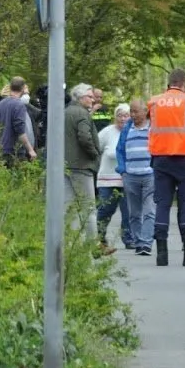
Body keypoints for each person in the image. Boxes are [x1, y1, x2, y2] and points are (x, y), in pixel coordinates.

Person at [147, 69, 185, 267]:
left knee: (162, 204)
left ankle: (162, 254)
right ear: (184, 83)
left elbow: (152, 128)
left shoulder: (155, 102)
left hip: (161, 159)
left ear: (169, 83)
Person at [64, 83, 106, 250]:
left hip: (66, 166)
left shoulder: (65, 112)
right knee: (89, 208)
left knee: (70, 207)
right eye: (90, 96)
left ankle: (72, 244)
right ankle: (93, 244)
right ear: (80, 98)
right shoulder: (82, 114)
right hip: (81, 166)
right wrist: (95, 154)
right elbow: (84, 137)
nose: (93, 99)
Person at [116, 99, 155, 256]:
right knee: (133, 213)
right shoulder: (127, 128)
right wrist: (123, 170)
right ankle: (138, 242)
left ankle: (146, 242)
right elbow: (120, 149)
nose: (132, 114)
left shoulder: (153, 127)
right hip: (130, 175)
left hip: (149, 175)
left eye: (135, 111)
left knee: (149, 210)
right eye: (131, 111)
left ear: (145, 111)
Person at [96, 104, 132, 250]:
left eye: (126, 115)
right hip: (107, 178)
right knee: (105, 209)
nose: (123, 118)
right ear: (115, 117)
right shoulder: (107, 132)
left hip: (127, 179)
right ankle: (100, 237)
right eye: (120, 115)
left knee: (128, 211)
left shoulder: (133, 132)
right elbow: (95, 148)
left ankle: (129, 239)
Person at [0, 76, 36, 168]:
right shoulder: (19, 105)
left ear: (10, 87)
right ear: (23, 88)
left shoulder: (1, 103)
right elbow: (20, 130)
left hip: (1, 149)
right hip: (15, 151)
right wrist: (30, 150)